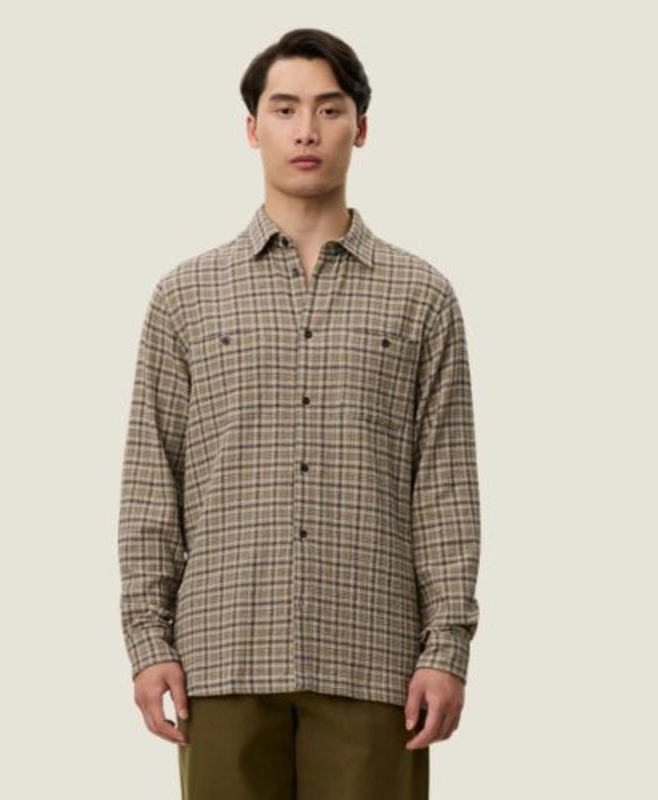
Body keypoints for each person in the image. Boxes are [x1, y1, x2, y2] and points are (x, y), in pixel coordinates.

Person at [117, 27, 482, 800]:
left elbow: (445, 489)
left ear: (362, 127)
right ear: (253, 128)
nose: (307, 130)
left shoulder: (421, 297)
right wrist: (148, 640)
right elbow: (153, 481)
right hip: (222, 653)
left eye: (329, 109)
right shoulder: (186, 296)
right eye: (285, 109)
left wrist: (446, 648)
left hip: (374, 657)